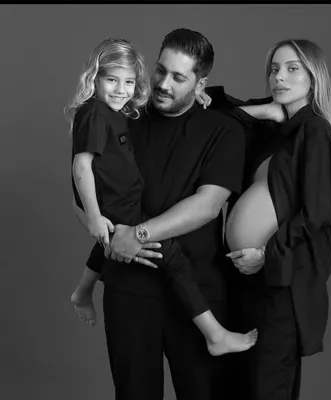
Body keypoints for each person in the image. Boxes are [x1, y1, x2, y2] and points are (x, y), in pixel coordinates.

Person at [71, 29, 254, 400]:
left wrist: (137, 235)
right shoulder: (123, 116)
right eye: (160, 70)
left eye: (179, 77)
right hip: (128, 292)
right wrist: (107, 234)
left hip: (197, 293)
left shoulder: (223, 129)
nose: (164, 84)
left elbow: (207, 205)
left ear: (200, 84)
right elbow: (83, 189)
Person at [202, 39, 331, 400]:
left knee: (269, 387)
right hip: (243, 280)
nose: (279, 77)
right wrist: (265, 111)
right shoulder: (271, 133)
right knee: (238, 386)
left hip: (280, 281)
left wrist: (266, 254)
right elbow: (212, 120)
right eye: (274, 69)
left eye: (292, 69)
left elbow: (319, 213)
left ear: (313, 78)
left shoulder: (315, 130)